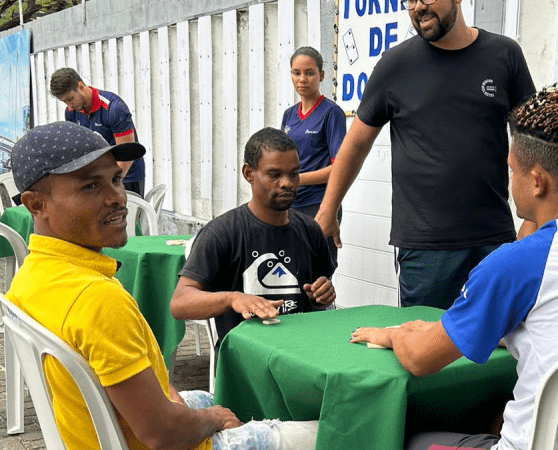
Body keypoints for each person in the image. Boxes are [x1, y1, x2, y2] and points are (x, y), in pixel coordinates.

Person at [351, 45, 558, 450]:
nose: (509, 179)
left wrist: (397, 336)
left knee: (402, 436)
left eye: (510, 170)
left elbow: (419, 360)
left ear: (536, 180)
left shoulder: (521, 262)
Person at [6, 121, 318, 450]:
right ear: (36, 204)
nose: (117, 198)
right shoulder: (95, 299)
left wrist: (191, 407)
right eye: (90, 187)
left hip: (98, 433)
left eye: (116, 179)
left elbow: (148, 389)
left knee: (232, 399)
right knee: (330, 432)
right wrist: (213, 419)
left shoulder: (30, 277)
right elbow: (164, 434)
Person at [314, 0, 535, 309]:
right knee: (426, 347)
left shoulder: (504, 55)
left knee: (499, 346)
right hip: (425, 248)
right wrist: (328, 210)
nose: (418, 7)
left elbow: (531, 141)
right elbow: (356, 143)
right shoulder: (396, 65)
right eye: (411, 0)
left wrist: (535, 218)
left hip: (493, 238)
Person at [171, 127, 336, 345]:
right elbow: (180, 303)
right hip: (245, 362)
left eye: (293, 173)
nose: (287, 183)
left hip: (300, 354)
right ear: (249, 173)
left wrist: (323, 294)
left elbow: (319, 297)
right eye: (274, 174)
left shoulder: (310, 230)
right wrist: (232, 299)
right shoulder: (222, 232)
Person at [281, 46, 346, 264]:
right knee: (289, 267)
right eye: (296, 73)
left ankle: (325, 301)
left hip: (319, 204)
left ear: (322, 75)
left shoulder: (331, 113)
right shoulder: (289, 115)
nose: (302, 79)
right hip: (290, 204)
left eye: (309, 73)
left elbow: (340, 168)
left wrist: (298, 179)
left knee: (317, 270)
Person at [50, 67, 146, 196]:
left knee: (126, 216)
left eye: (70, 98)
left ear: (81, 86)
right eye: (64, 102)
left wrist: (109, 183)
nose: (69, 105)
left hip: (127, 177)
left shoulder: (114, 108)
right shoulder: (71, 113)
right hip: (98, 179)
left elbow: (127, 156)